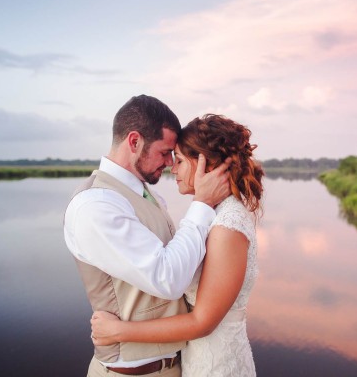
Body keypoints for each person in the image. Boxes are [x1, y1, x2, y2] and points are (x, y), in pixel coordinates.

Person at [64, 95, 231, 377]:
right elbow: (168, 279)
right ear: (134, 142)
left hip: (173, 364)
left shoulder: (143, 192)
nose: (169, 163)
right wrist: (201, 204)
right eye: (165, 152)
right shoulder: (95, 205)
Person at [91, 114, 265, 377]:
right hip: (198, 357)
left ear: (207, 164)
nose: (173, 168)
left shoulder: (228, 225)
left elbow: (202, 322)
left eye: (181, 160)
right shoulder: (214, 214)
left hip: (217, 365)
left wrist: (119, 331)